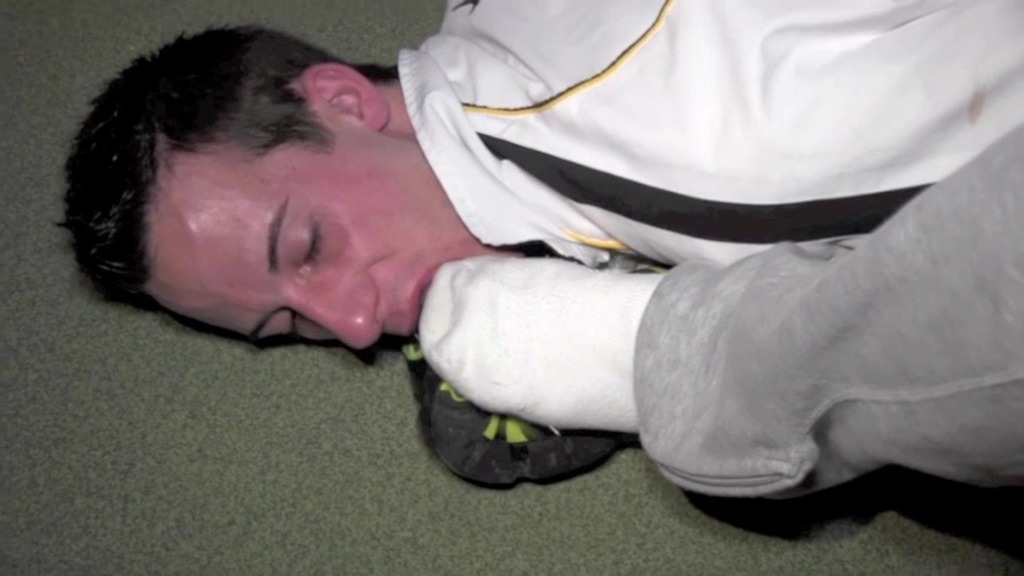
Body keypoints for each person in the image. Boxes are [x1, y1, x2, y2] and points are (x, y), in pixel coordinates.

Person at [63, 0, 1024, 497]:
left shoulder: (725, 142)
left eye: (308, 245)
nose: (353, 325)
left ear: (344, 101)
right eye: (288, 326)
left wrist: (645, 359)